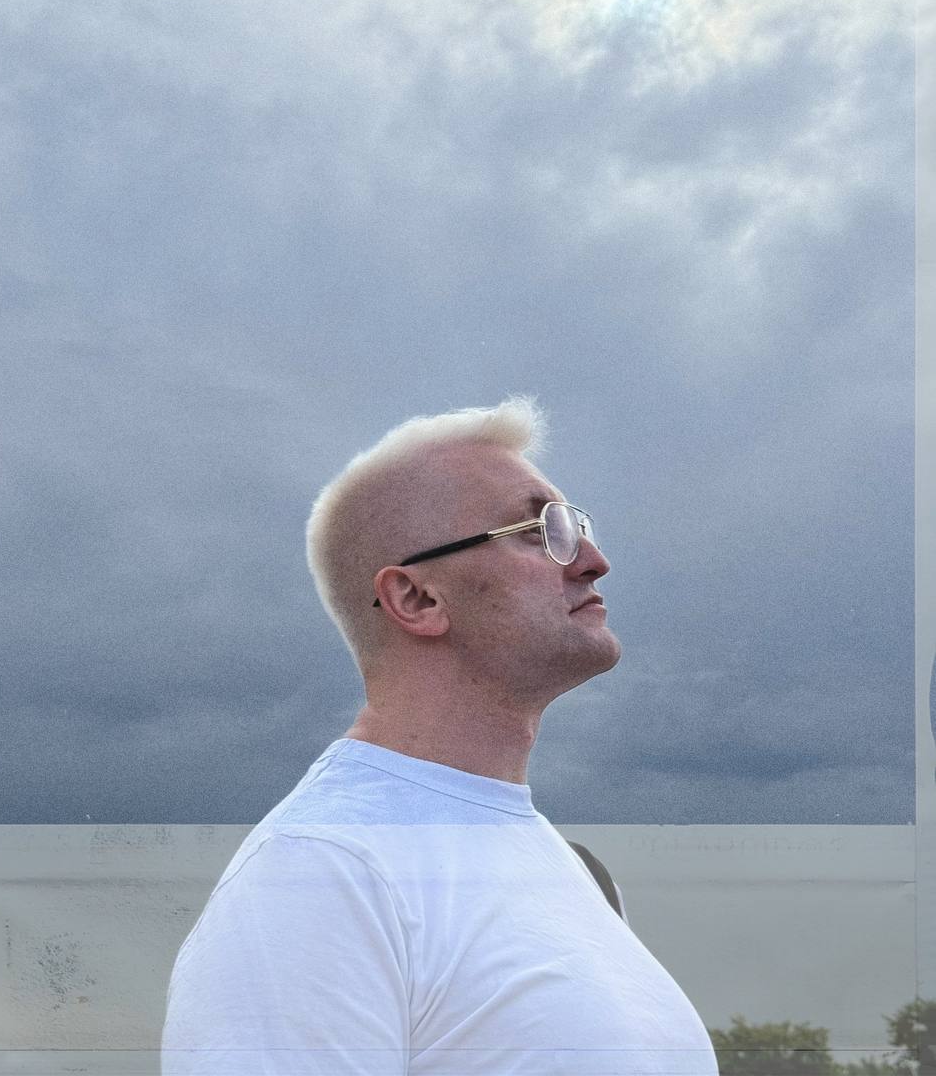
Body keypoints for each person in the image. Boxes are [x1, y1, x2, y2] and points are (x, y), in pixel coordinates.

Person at [161, 398, 718, 1074]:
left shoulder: (579, 877)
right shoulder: (319, 870)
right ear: (417, 599)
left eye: (574, 526)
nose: (592, 560)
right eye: (538, 531)